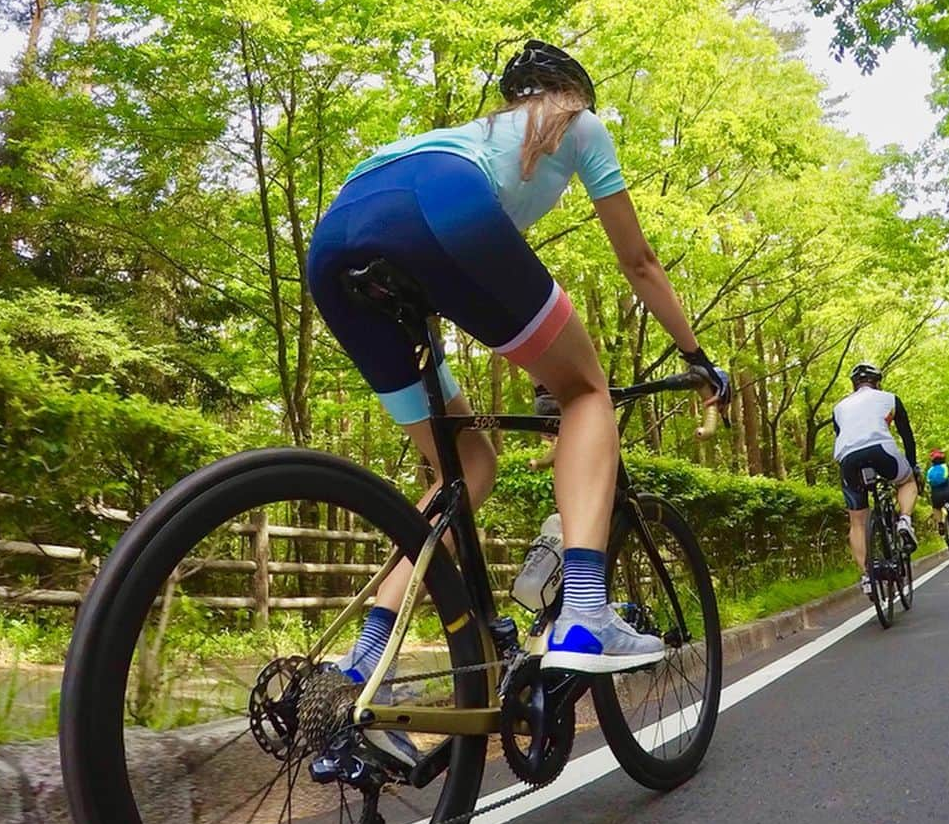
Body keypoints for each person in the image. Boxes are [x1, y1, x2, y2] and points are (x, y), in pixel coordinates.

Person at [307, 40, 730, 723]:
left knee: (466, 467)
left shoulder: (472, 132)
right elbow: (640, 261)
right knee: (587, 393)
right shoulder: (576, 123)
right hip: (442, 206)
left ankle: (365, 659)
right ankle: (586, 614)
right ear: (571, 93)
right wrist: (696, 354)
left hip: (336, 238)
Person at [832, 362, 920, 598]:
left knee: (857, 522)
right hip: (881, 450)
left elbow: (842, 436)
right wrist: (912, 466)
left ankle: (866, 577)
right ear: (877, 382)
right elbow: (906, 436)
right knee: (907, 482)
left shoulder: (839, 408)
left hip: (848, 459)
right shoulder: (889, 398)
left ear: (854, 385)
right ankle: (904, 520)